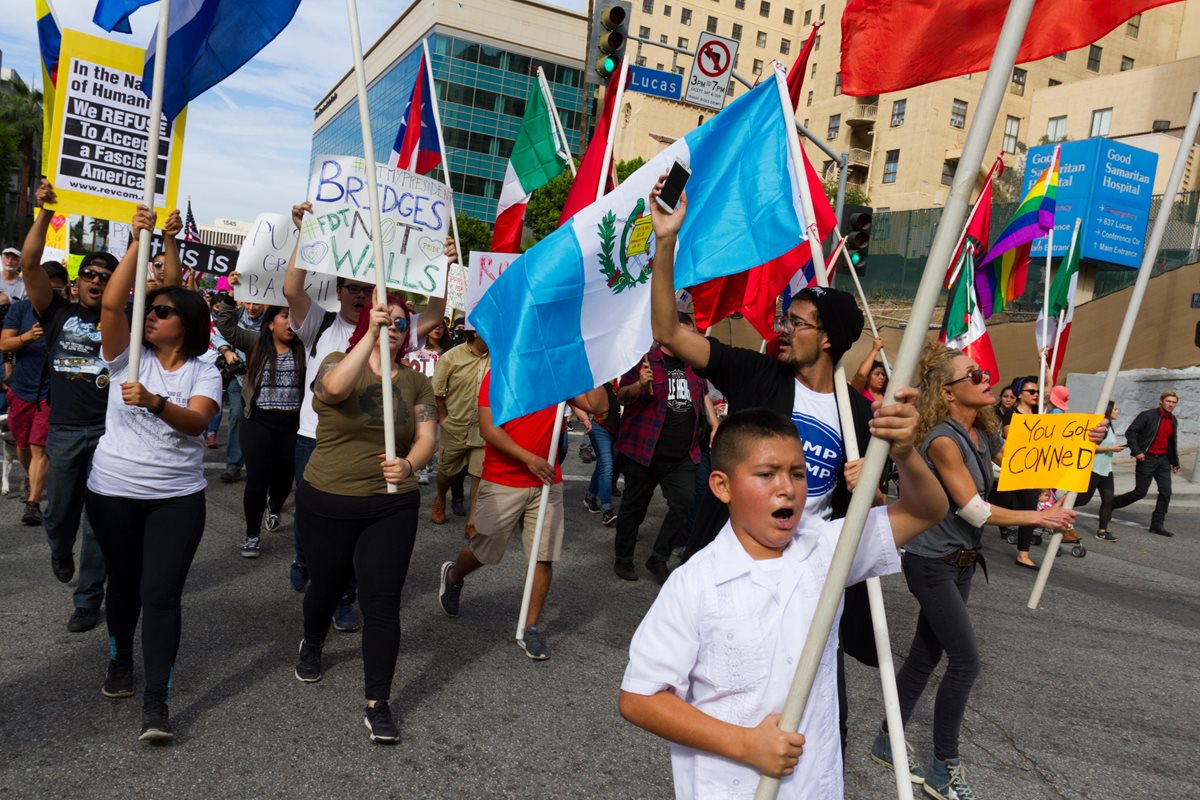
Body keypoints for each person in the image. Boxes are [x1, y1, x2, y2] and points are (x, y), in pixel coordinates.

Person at [647, 176, 882, 750]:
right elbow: (668, 333)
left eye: (797, 322)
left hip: (813, 579)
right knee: (732, 704)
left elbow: (876, 509)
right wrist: (666, 243)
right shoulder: (758, 376)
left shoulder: (857, 412)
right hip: (740, 569)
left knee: (825, 721)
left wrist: (869, 485)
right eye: (786, 316)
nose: (783, 328)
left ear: (828, 340)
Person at [618, 398, 949, 800]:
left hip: (816, 785)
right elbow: (640, 698)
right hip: (732, 787)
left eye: (797, 473)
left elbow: (927, 509)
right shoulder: (694, 583)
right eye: (766, 474)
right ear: (722, 486)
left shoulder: (827, 547)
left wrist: (905, 451)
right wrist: (744, 743)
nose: (787, 488)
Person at [874, 344, 1076, 800]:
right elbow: (974, 510)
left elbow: (1024, 462)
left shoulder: (980, 434)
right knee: (965, 662)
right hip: (932, 565)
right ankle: (944, 767)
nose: (988, 378)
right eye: (976, 373)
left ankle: (887, 739)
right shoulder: (944, 440)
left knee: (927, 656)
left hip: (961, 564)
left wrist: (1088, 438)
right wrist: (1039, 519)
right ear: (947, 392)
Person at [85, 204, 222, 742]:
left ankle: (156, 704)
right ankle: (120, 660)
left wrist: (157, 403)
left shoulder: (202, 367)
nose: (152, 314)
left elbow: (198, 423)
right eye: (152, 307)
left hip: (176, 497)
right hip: (113, 490)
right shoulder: (127, 355)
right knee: (124, 585)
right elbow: (115, 302)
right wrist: (139, 241)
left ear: (185, 324)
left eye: (162, 309)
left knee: (160, 594)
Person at [278, 201, 447, 625]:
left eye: (366, 289)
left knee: (361, 527)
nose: (359, 295)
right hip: (313, 436)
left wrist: (442, 268)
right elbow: (292, 291)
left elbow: (433, 314)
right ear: (339, 291)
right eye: (351, 287)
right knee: (311, 518)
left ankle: (343, 597)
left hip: (370, 444)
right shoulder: (320, 324)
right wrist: (305, 232)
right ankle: (310, 565)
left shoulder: (392, 331)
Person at [292, 296, 437, 744]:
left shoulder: (417, 383)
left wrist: (409, 465)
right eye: (384, 319)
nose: (391, 326)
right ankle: (313, 641)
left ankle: (379, 702)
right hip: (328, 498)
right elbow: (332, 391)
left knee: (381, 601)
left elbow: (428, 435)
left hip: (391, 503)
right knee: (327, 583)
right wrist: (367, 338)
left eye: (399, 322)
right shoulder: (337, 360)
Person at [20, 182, 139, 633]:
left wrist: (140, 238)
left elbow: (161, 286)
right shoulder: (55, 312)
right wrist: (42, 211)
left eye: (106, 276)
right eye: (90, 274)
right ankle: (57, 547)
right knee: (59, 513)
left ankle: (88, 599)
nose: (97, 281)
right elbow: (30, 262)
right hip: (66, 431)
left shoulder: (127, 318)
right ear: (77, 282)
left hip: (110, 433)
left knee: (100, 522)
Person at [437, 371, 602, 660]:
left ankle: (531, 627)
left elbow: (598, 405)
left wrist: (598, 368)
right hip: (503, 478)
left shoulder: (558, 372)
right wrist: (529, 459)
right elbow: (489, 429)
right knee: (485, 549)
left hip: (548, 479)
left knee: (544, 554)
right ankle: (454, 574)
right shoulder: (498, 373)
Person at [612, 314, 707, 583]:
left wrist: (713, 422)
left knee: (684, 504)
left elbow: (701, 397)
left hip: (682, 455)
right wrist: (640, 384)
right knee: (634, 508)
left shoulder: (694, 365)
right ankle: (623, 559)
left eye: (691, 336)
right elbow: (622, 396)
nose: (687, 341)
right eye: (682, 335)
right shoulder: (645, 360)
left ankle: (658, 558)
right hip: (644, 452)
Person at [214, 298, 305, 557]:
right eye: (285, 316)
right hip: (258, 421)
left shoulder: (306, 347)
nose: (291, 322)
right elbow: (227, 328)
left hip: (292, 424)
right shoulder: (255, 343)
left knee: (284, 477)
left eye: (295, 317)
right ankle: (252, 535)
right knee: (257, 478)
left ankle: (274, 507)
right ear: (271, 322)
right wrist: (229, 298)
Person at [1, 271, 56, 527]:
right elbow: (4, 344)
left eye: (57, 290)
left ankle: (33, 503)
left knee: (38, 446)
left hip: (50, 393)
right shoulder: (20, 309)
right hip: (22, 390)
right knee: (22, 446)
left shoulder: (64, 312)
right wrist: (27, 337)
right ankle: (29, 477)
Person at [430, 329, 489, 536]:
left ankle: (472, 522)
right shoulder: (451, 357)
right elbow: (437, 391)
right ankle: (439, 498)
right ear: (474, 333)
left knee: (479, 475)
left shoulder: (499, 357)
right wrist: (444, 417)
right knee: (447, 471)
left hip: (484, 430)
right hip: (455, 427)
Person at [1111, 390, 1181, 537]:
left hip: (1163, 460)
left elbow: (1172, 443)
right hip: (1147, 458)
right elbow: (1131, 432)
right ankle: (1110, 505)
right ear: (1161, 401)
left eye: (1174, 402)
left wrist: (1175, 462)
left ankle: (1157, 525)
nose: (1171, 404)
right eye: (1168, 401)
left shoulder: (1173, 420)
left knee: (1166, 492)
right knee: (1139, 493)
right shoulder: (1147, 416)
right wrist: (1137, 451)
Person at [216, 301, 266, 483]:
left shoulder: (273, 318)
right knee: (237, 414)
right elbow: (219, 333)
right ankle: (234, 464)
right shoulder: (236, 315)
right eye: (249, 303)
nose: (252, 308)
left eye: (257, 304)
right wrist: (227, 351)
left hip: (265, 379)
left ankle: (261, 465)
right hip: (240, 377)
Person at [1075, 404, 1126, 542]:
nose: (1117, 411)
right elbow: (1092, 447)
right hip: (1093, 468)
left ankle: (1102, 531)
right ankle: (1055, 508)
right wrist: (1111, 448)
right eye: (1115, 409)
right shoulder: (1100, 426)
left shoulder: (1110, 426)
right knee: (1083, 499)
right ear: (1108, 410)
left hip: (1106, 469)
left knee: (1108, 499)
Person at [408, 317, 447, 485]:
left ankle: (426, 461)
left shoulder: (447, 354)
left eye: (441, 327)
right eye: (434, 326)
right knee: (416, 434)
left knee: (434, 438)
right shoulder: (414, 349)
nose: (437, 329)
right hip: (416, 399)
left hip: (437, 401)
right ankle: (421, 468)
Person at [584, 379, 621, 526]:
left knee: (603, 466)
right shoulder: (607, 372)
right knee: (607, 466)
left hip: (619, 428)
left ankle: (590, 496)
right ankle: (607, 510)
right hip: (600, 426)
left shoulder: (631, 375)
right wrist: (584, 417)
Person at [851, 336, 888, 403]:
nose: (882, 377)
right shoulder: (859, 392)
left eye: (883, 375)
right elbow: (861, 374)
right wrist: (875, 349)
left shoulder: (887, 394)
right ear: (867, 377)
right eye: (877, 374)